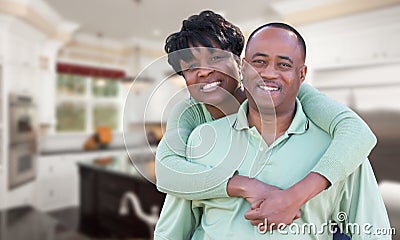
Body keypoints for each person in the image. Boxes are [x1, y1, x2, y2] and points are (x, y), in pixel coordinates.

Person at [154, 11, 377, 239]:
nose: (204, 71)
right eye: (191, 67)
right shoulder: (193, 125)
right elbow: (167, 172)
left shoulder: (307, 108)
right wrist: (244, 185)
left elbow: (357, 132)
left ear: (239, 64)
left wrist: (293, 198)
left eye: (214, 58)